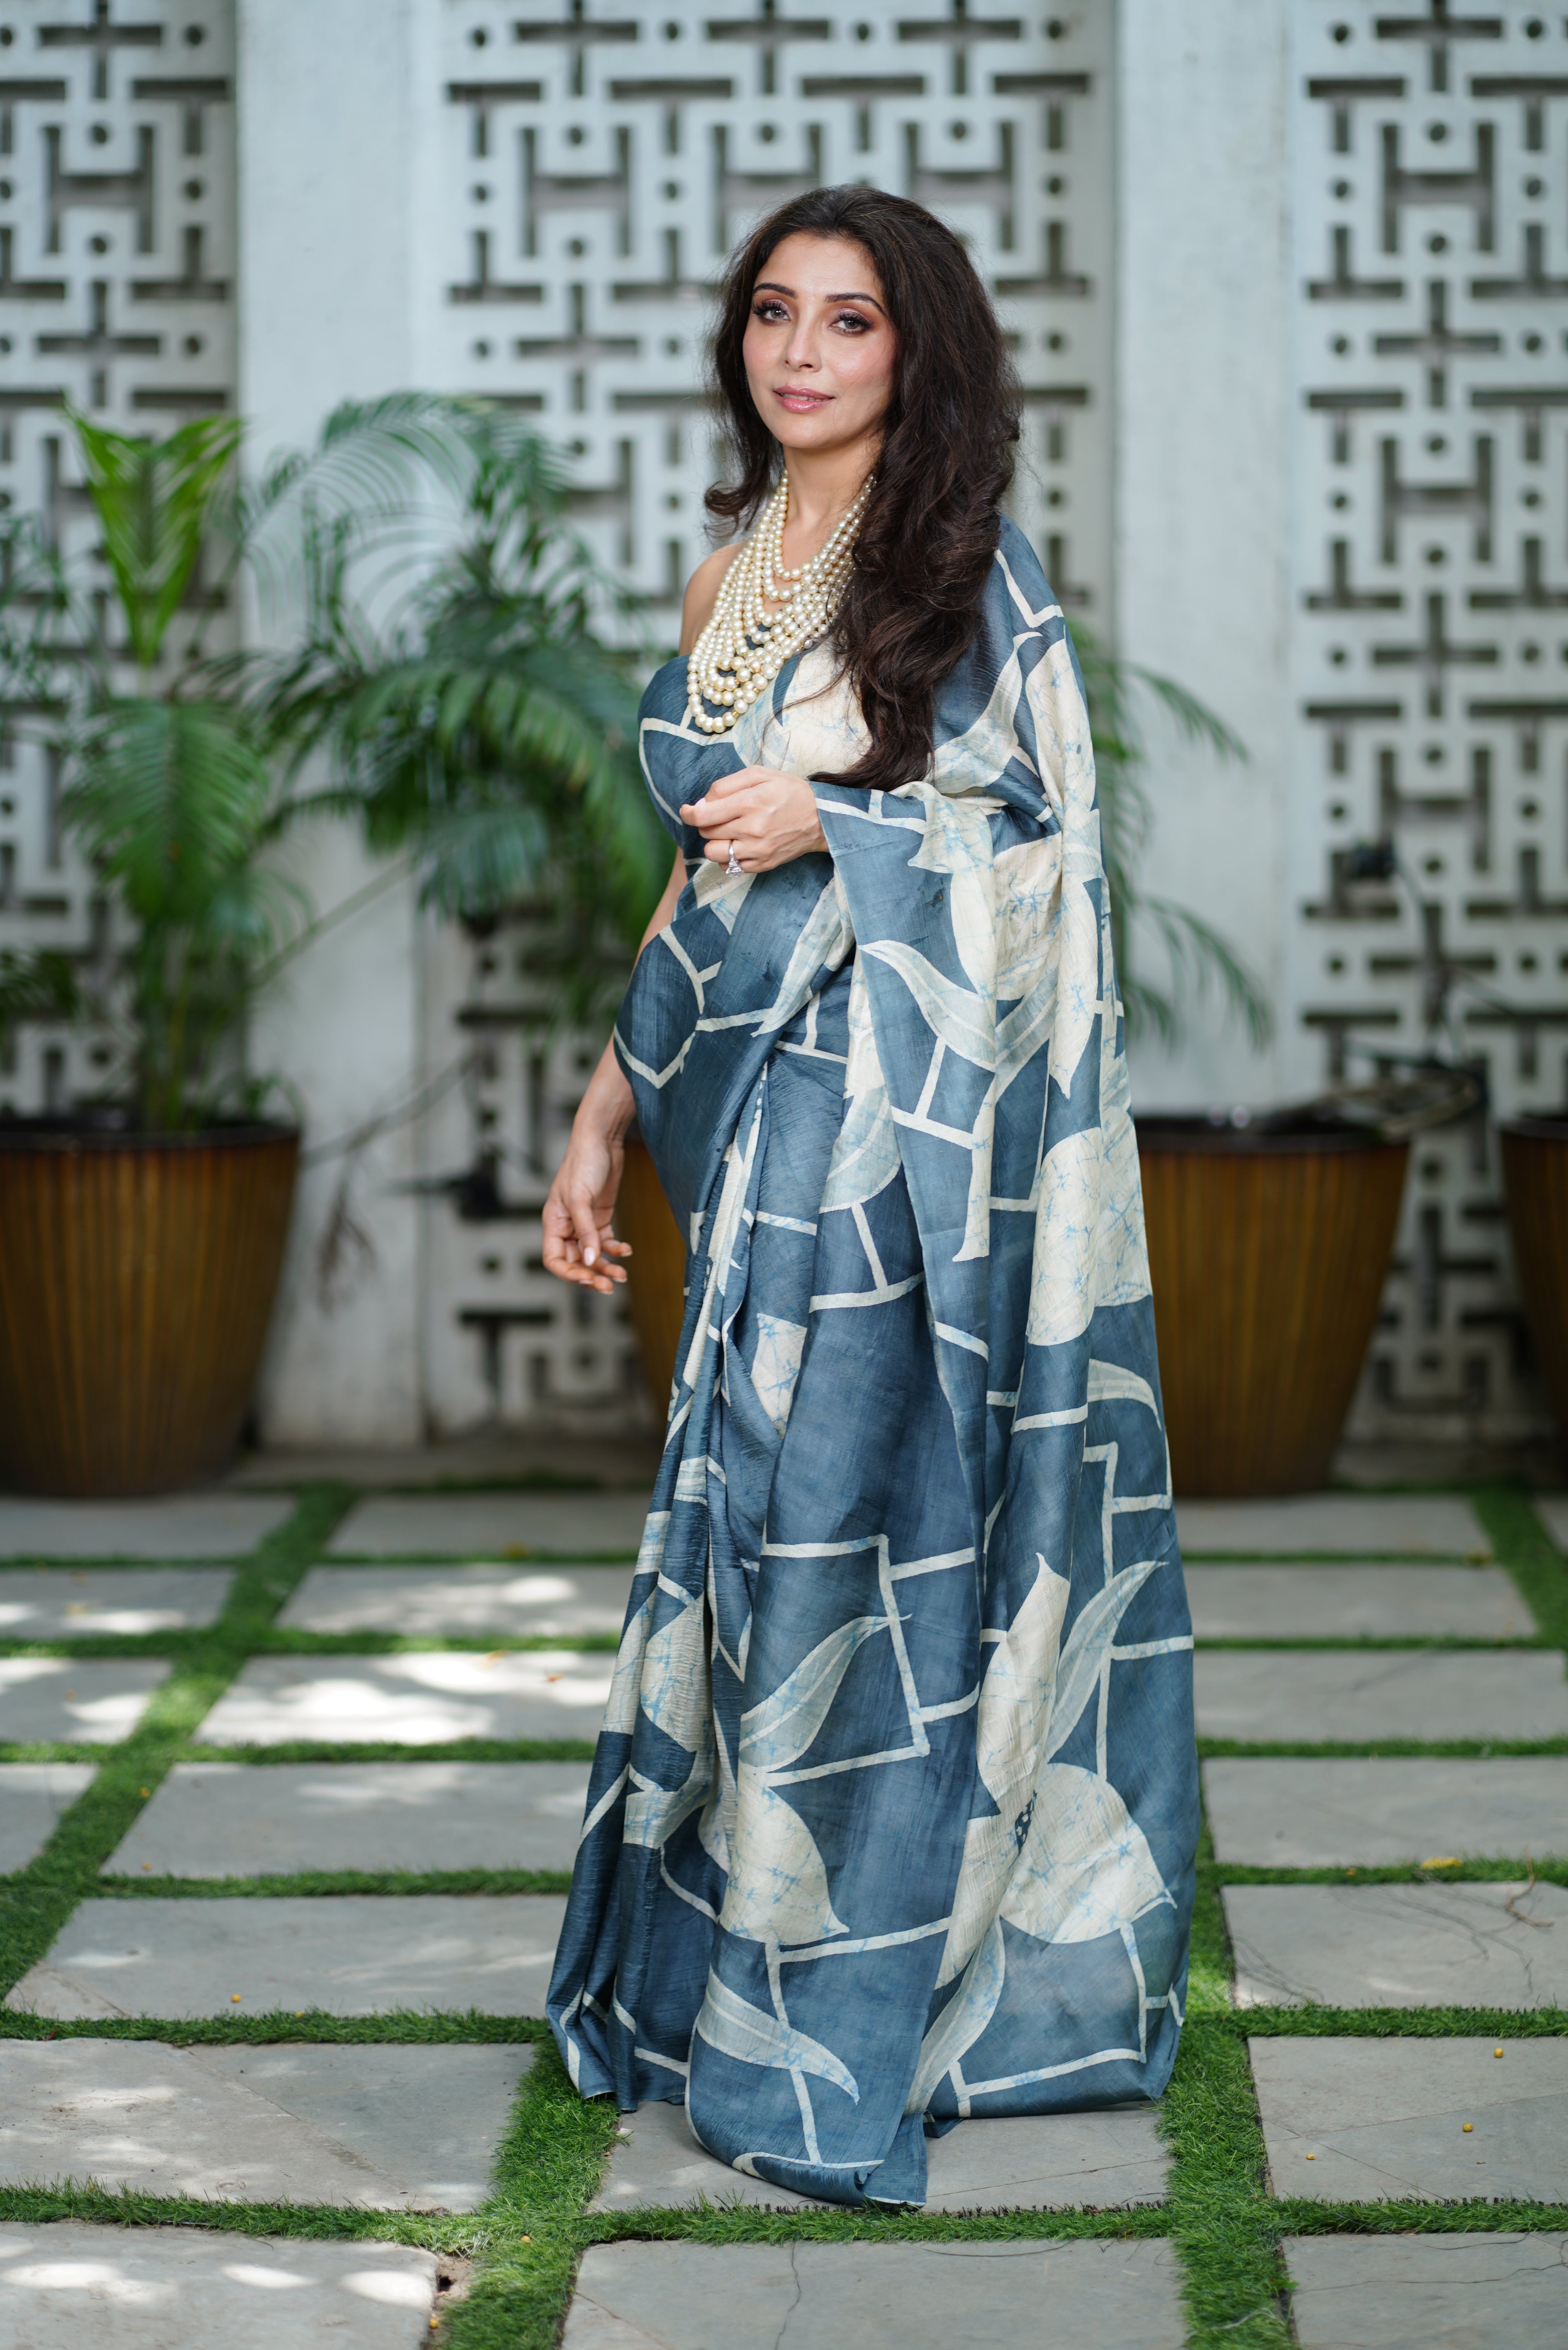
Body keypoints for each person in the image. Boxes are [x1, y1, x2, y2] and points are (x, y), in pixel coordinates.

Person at [541, 185, 1197, 2210]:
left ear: (917, 352)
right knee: (749, 1527)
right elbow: (688, 870)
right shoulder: (722, 570)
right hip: (740, 1126)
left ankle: (846, 1992)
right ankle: (724, 1966)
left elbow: (1038, 844)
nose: (801, 350)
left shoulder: (965, 569)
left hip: (903, 1146)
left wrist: (838, 812)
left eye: (849, 320)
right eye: (772, 312)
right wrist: (593, 1107)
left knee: (865, 1531)